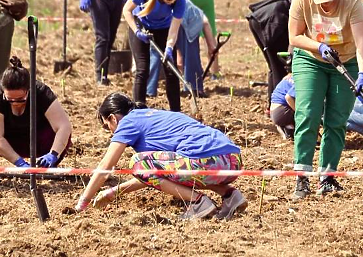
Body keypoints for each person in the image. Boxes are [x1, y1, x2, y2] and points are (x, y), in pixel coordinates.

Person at [75, 93, 247, 220]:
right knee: (150, 165)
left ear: (113, 119)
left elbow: (106, 165)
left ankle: (198, 202)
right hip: (231, 162)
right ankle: (230, 196)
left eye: (107, 127)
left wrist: (83, 203)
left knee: (137, 162)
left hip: (205, 164)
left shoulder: (128, 122)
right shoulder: (155, 116)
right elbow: (159, 173)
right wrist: (114, 192)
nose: (111, 133)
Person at [288, 0, 363, 198]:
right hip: (310, 60)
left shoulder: (351, 0)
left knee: (336, 119)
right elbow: (294, 37)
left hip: (345, 62)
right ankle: (301, 176)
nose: (324, 1)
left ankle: (328, 177)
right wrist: (318, 46)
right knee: (308, 113)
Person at [0, 57, 72, 167]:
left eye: (20, 99)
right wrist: (19, 162)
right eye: (10, 100)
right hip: (7, 140)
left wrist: (53, 154)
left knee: (63, 133)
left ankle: (46, 166)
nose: (15, 103)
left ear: (28, 90)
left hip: (36, 140)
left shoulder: (41, 92)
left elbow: (64, 126)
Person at [124, 0, 185, 111]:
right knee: (143, 69)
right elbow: (127, 10)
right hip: (140, 26)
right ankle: (139, 109)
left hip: (164, 29)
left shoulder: (180, 1)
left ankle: (176, 112)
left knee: (171, 70)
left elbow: (174, 30)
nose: (172, 1)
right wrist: (137, 31)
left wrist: (169, 47)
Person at [269, 74, 296, 139]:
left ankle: (287, 127)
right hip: (283, 111)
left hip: (275, 111)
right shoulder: (304, 79)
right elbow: (288, 97)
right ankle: (288, 128)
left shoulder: (293, 75)